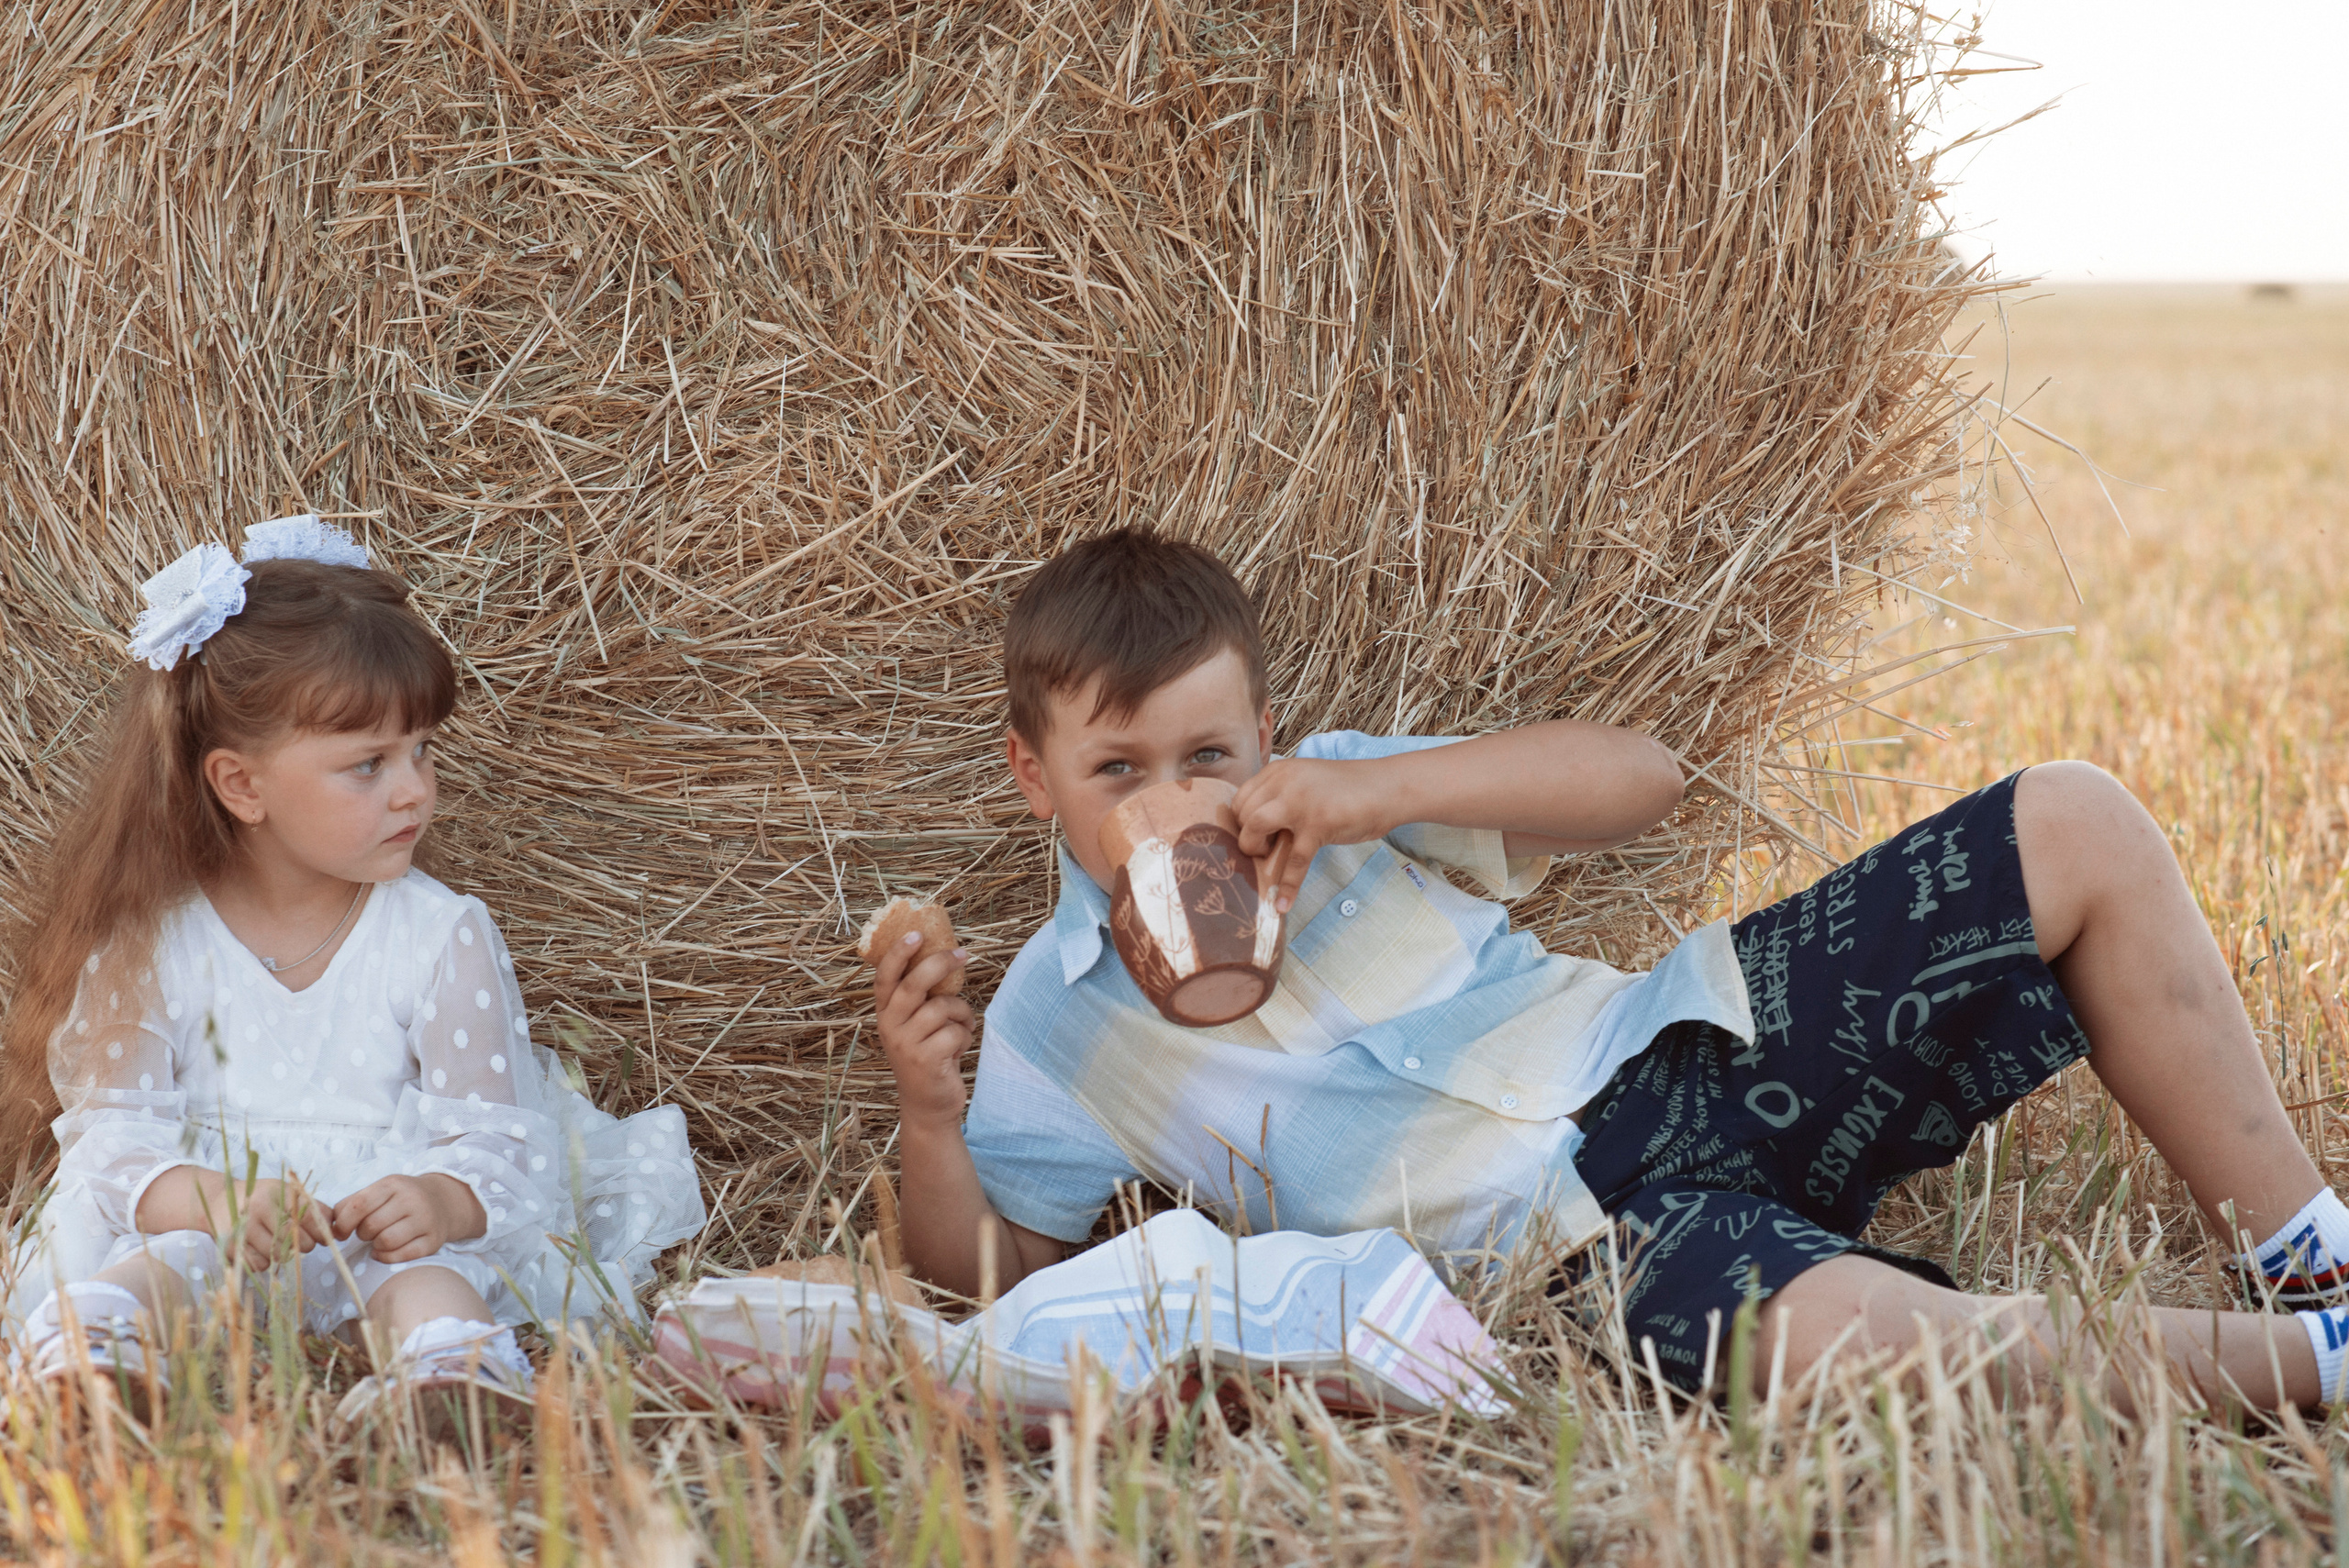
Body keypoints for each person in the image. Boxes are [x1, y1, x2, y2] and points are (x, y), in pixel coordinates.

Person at [872, 526, 2349, 1412]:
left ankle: (2310, 1250)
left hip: (1688, 1053)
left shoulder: (1346, 797)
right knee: (1845, 1343)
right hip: (1573, 1254)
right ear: (1033, 774)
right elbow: (993, 1280)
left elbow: (1645, 778)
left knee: (2073, 817)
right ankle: (2321, 1364)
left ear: (1263, 732)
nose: (1178, 797)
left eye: (1209, 753)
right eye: (1118, 768)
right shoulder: (1052, 1019)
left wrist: (1373, 793)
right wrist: (931, 1120)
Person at [1, 517, 705, 1426]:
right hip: (213, 1215)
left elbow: (498, 1141)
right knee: (163, 1261)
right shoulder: (155, 941)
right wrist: (212, 1199)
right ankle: (92, 1358)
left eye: (422, 750)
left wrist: (439, 1199)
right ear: (241, 785)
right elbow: (116, 1137)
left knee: (424, 1275)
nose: (414, 789)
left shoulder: (441, 934)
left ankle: (454, 1372)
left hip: (375, 1215)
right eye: (368, 764)